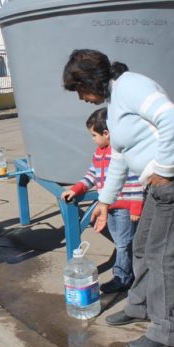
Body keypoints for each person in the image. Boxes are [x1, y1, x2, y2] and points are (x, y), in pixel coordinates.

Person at [62, 49, 174, 347]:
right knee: (142, 246)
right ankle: (140, 305)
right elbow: (119, 155)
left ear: (90, 80)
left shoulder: (130, 86)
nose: (81, 98)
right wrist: (105, 200)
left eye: (79, 90)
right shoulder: (116, 101)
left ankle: (167, 331)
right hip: (164, 179)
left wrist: (166, 169)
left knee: (160, 255)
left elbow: (170, 116)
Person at [60, 108, 143, 294]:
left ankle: (123, 278)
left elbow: (136, 179)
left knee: (123, 243)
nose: (92, 139)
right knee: (122, 241)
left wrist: (136, 206)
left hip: (124, 208)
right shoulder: (99, 153)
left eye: (94, 135)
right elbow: (92, 175)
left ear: (106, 133)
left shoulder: (122, 152)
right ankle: (130, 270)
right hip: (108, 207)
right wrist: (76, 189)